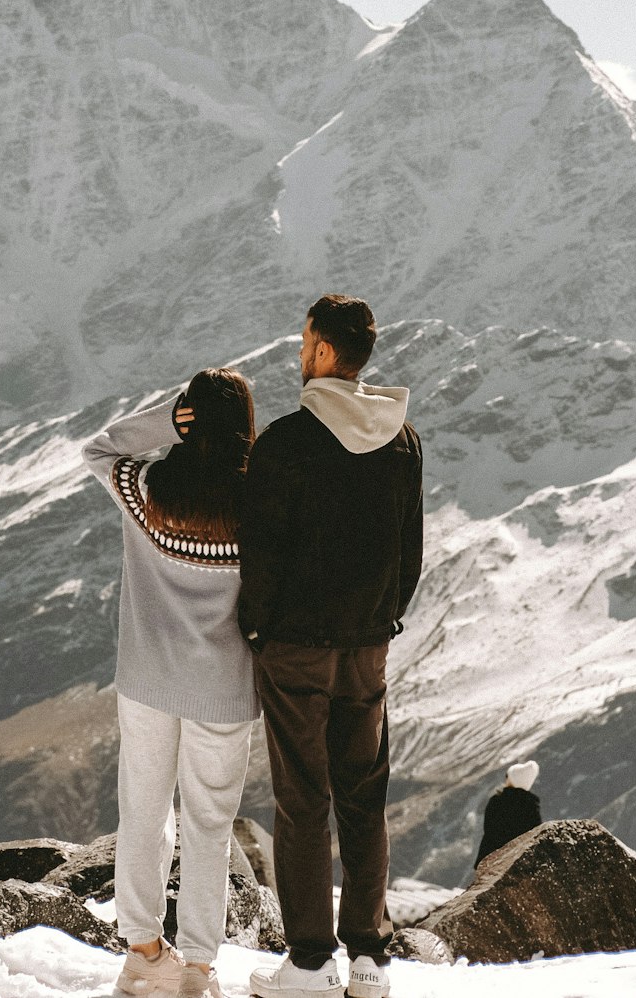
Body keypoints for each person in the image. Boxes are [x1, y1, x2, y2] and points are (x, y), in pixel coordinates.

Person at [239, 295, 423, 998]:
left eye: (303, 341)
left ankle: (311, 962)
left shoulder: (285, 442)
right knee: (363, 796)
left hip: (295, 649)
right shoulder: (400, 439)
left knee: (303, 800)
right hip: (368, 647)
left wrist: (259, 628)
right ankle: (370, 958)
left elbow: (262, 557)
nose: (299, 353)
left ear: (320, 351)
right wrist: (381, 620)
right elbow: (411, 554)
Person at [83, 369, 260, 998]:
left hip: (148, 679)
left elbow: (99, 448)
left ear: (190, 423)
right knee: (209, 826)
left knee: (143, 809)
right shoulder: (260, 502)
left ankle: (142, 951)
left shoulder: (145, 490)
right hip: (224, 688)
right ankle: (198, 967)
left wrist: (168, 417)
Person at [475, 761, 542, 864]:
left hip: (490, 857)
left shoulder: (496, 801)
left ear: (512, 780)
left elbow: (488, 829)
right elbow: (535, 833)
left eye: (508, 776)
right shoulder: (531, 806)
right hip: (520, 858)